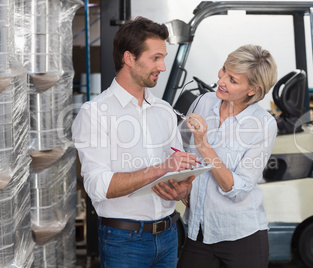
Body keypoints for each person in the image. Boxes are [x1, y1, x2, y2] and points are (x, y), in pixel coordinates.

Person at [72, 16, 199, 268]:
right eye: (155, 58)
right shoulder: (95, 112)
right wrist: (161, 169)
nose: (162, 67)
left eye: (163, 57)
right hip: (124, 242)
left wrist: (185, 188)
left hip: (169, 235)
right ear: (129, 58)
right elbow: (97, 185)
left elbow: (181, 166)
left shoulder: (163, 110)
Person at [155, 44, 278, 267]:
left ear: (253, 90)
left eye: (233, 80)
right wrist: (184, 184)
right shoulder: (204, 102)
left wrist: (204, 144)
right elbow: (180, 147)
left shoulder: (263, 125)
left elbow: (238, 190)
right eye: (224, 70)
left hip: (242, 238)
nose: (221, 80)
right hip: (198, 231)